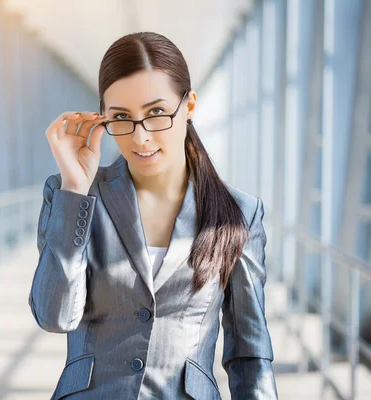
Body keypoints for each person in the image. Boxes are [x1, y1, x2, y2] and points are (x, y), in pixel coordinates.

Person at [28, 31, 278, 400]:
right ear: (102, 118)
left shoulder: (237, 214)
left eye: (157, 113)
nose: (140, 137)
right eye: (122, 118)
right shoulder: (72, 197)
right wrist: (75, 189)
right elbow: (55, 316)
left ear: (189, 106)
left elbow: (249, 354)